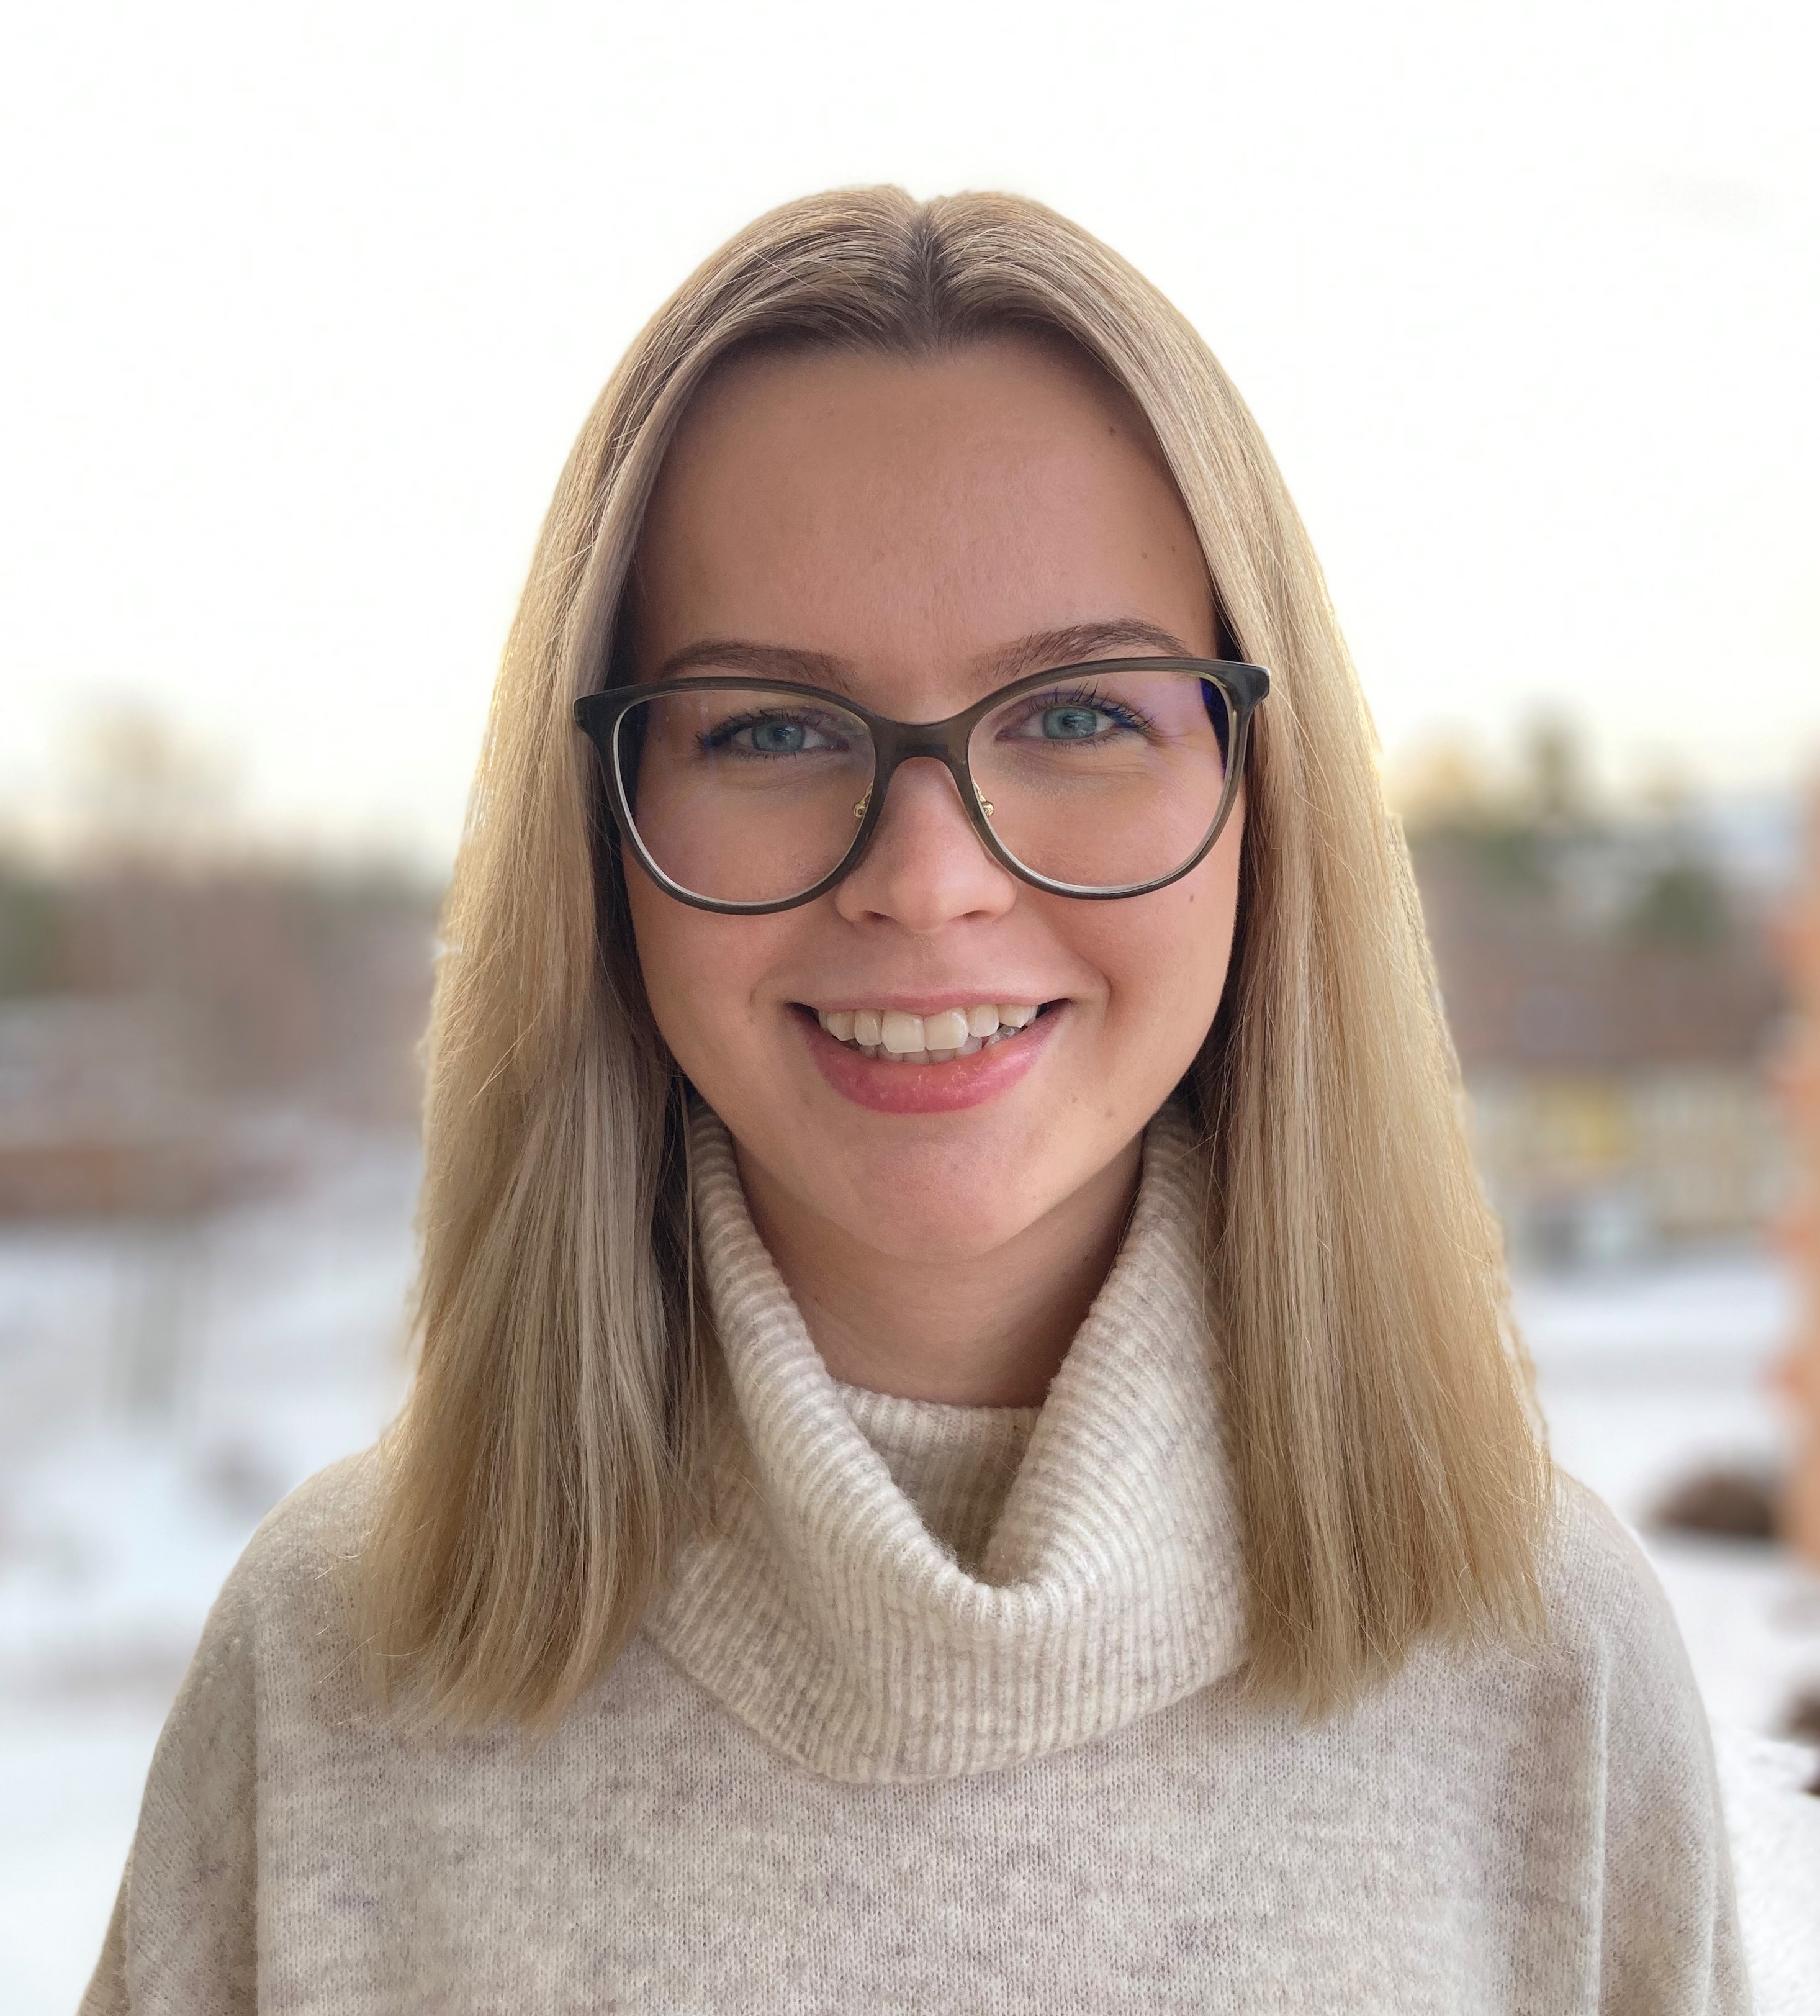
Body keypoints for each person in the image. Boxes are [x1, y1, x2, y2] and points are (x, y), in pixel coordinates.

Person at [81, 188, 1747, 2013]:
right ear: (601, 837)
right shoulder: (330, 1671)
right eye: (770, 730)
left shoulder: (1543, 1666)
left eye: (1080, 715)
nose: (930, 880)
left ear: (1264, 802)